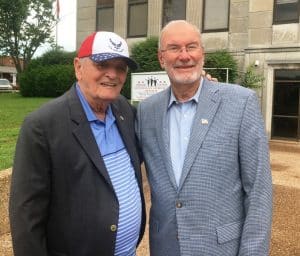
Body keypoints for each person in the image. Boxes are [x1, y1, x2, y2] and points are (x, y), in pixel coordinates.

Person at [136, 20, 273, 255]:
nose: (184, 55)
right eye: (174, 48)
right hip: (166, 246)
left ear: (202, 54)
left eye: (191, 47)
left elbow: (259, 191)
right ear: (161, 58)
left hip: (221, 248)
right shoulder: (146, 111)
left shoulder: (241, 103)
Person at [9, 31, 146, 256]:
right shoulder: (42, 126)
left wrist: (201, 89)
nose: (112, 74)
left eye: (120, 67)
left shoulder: (125, 110)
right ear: (78, 67)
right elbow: (26, 217)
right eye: (102, 64)